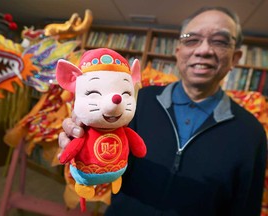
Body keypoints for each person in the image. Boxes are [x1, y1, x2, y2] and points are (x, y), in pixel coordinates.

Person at [58, 6, 267, 216]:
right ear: (178, 52)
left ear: (235, 58)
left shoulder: (252, 133)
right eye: (191, 39)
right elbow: (108, 157)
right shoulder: (139, 101)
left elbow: (246, 208)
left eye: (220, 41)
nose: (203, 50)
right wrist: (84, 133)